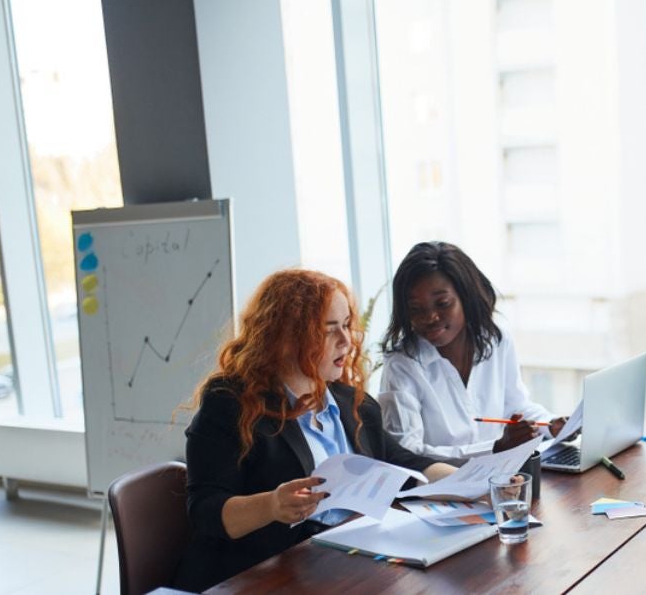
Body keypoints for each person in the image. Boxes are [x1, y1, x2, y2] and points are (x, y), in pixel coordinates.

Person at [173, 270, 456, 591]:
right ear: (286, 336)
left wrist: (470, 483)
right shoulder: (230, 404)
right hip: (261, 577)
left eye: (347, 325)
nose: (347, 341)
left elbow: (403, 462)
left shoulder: (352, 403)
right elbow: (205, 511)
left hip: (343, 564)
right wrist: (272, 506)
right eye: (329, 330)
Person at [378, 241, 568, 459]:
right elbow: (406, 452)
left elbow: (515, 405)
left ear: (466, 297)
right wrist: (495, 448)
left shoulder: (496, 338)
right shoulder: (402, 363)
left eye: (443, 303)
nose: (430, 317)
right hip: (440, 488)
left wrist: (549, 425)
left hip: (502, 477)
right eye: (415, 308)